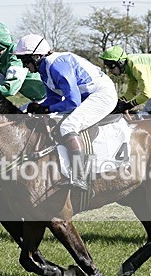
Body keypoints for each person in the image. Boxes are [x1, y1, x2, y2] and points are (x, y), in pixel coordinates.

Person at [13, 34, 118, 192]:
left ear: (36, 56)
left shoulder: (56, 66)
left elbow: (72, 102)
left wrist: (46, 109)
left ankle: (80, 177)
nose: (24, 65)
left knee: (68, 125)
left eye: (25, 59)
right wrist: (36, 107)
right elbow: (54, 99)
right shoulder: (44, 69)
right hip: (87, 96)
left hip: (102, 94)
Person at [0, 22, 46, 105]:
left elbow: (10, 89)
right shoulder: (2, 62)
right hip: (37, 101)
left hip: (51, 100)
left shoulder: (15, 56)